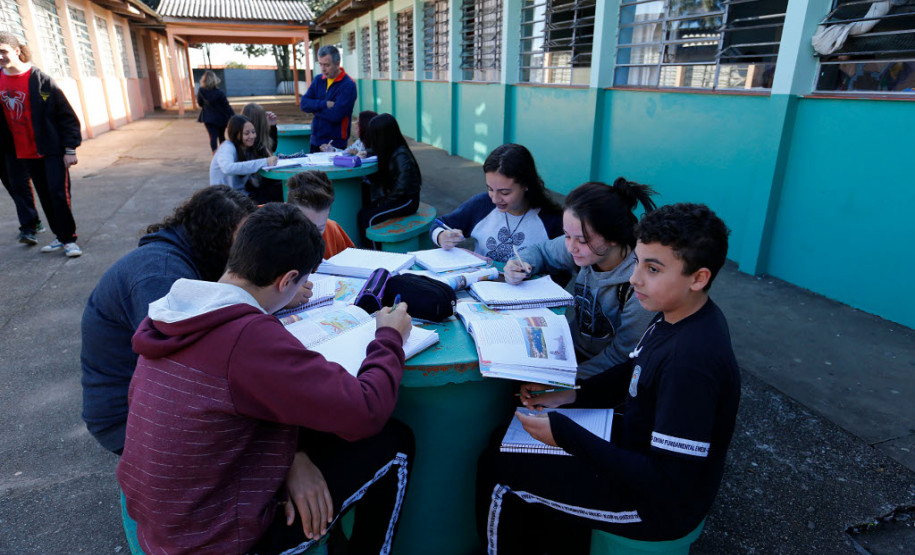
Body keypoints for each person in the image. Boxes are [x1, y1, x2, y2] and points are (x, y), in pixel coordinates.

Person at [117, 203, 415, 554]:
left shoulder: (175, 310)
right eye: (302, 281)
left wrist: (295, 456)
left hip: (163, 522)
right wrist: (389, 337)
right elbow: (366, 410)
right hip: (216, 540)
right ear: (287, 280)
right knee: (393, 441)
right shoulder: (247, 338)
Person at [477, 203, 741, 554]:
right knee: (503, 438)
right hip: (636, 451)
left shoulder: (690, 362)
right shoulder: (677, 313)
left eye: (653, 269)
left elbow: (667, 481)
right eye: (639, 263)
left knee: (499, 469)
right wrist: (570, 395)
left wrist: (565, 435)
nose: (635, 279)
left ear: (698, 278)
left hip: (655, 508)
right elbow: (632, 372)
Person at [80, 186, 258, 455]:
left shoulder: (182, 254)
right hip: (123, 418)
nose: (243, 253)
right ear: (214, 236)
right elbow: (184, 370)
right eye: (239, 242)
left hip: (142, 400)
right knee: (261, 435)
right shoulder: (160, 275)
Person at [503, 179, 657, 379]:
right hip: (571, 351)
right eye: (566, 235)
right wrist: (519, 263)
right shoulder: (586, 252)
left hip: (605, 375)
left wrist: (564, 379)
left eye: (582, 240)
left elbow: (622, 356)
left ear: (614, 237)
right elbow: (541, 251)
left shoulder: (639, 286)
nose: (570, 247)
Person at [0, 32, 82, 257]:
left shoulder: (40, 80)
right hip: (22, 152)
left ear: (16, 51)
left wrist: (69, 148)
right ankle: (59, 236)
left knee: (58, 194)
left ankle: (69, 239)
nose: (0, 57)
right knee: (44, 196)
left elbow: (65, 115)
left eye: (3, 51)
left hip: (51, 149)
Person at [430, 143, 562, 262]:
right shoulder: (481, 205)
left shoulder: (552, 221)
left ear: (526, 184)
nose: (495, 199)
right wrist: (442, 236)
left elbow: (563, 268)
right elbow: (439, 224)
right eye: (490, 189)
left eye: (505, 193)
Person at [356, 113, 423, 249]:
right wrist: (366, 153)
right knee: (363, 213)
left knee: (370, 218)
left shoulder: (401, 156)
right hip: (393, 197)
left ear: (382, 135)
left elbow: (402, 188)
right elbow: (374, 152)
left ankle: (376, 254)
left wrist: (382, 202)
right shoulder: (388, 149)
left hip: (406, 201)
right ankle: (367, 249)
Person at [299, 45, 357, 153]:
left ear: (337, 63)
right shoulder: (318, 80)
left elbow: (336, 115)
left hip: (335, 143)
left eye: (327, 65)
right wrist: (324, 104)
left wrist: (313, 109)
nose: (323, 69)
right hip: (315, 140)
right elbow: (303, 104)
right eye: (320, 64)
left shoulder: (348, 85)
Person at [287, 169, 355, 258]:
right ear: (287, 211)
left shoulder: (332, 230)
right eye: (304, 226)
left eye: (319, 229)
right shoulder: (266, 232)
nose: (311, 237)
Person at [209, 114, 277, 193]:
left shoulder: (246, 147)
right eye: (246, 133)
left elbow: (270, 148)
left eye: (253, 132)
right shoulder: (227, 147)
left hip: (239, 194)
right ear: (236, 134)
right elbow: (227, 168)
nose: (252, 136)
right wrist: (265, 161)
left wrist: (272, 126)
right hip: (224, 198)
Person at [241, 102, 283, 203]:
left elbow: (271, 147)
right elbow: (258, 181)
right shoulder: (250, 143)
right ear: (260, 122)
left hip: (260, 187)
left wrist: (272, 126)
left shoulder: (256, 138)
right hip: (255, 193)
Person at [1, 154, 44, 244]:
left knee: (19, 183)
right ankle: (34, 221)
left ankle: (29, 228)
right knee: (9, 183)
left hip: (15, 145)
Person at [196, 70, 234, 154]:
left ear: (204, 80)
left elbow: (200, 103)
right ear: (215, 80)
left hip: (208, 118)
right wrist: (233, 116)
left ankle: (214, 155)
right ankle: (223, 155)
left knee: (212, 137)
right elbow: (226, 106)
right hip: (221, 118)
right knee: (222, 137)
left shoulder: (201, 91)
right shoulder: (220, 93)